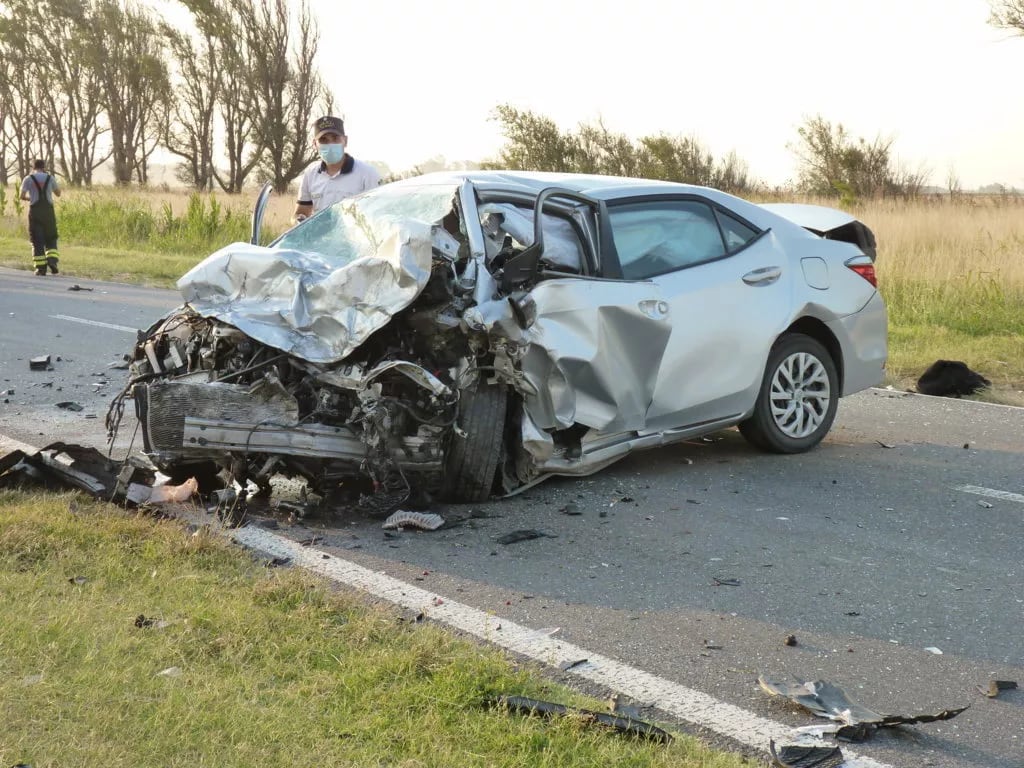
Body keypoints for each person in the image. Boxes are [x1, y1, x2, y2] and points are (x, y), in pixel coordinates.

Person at [293, 116, 381, 224]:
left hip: (355, 239)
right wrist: (298, 221)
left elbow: (378, 214)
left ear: (345, 141)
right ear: (315, 144)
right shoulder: (310, 174)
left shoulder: (367, 173)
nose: (330, 144)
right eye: (323, 140)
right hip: (321, 239)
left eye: (335, 138)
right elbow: (300, 213)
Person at [20, 159, 62, 275]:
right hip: (48, 211)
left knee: (37, 240)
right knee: (51, 237)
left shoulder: (28, 179)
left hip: (35, 212)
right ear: (44, 167)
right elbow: (58, 193)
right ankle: (52, 261)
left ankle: (41, 268)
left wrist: (31, 198)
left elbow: (21, 196)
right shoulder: (50, 178)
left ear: (33, 167)